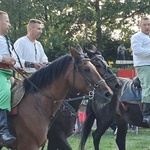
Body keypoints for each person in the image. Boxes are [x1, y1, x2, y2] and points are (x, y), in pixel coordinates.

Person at [0, 11, 16, 146]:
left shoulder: (6, 39)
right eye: (7, 21)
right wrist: (3, 58)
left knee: (24, 89)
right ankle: (3, 130)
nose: (9, 25)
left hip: (8, 73)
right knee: (4, 92)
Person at [131, 16, 150, 125]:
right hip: (143, 66)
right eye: (145, 25)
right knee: (148, 85)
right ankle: (146, 114)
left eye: (149, 24)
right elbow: (137, 51)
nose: (147, 27)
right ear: (140, 26)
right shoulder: (136, 37)